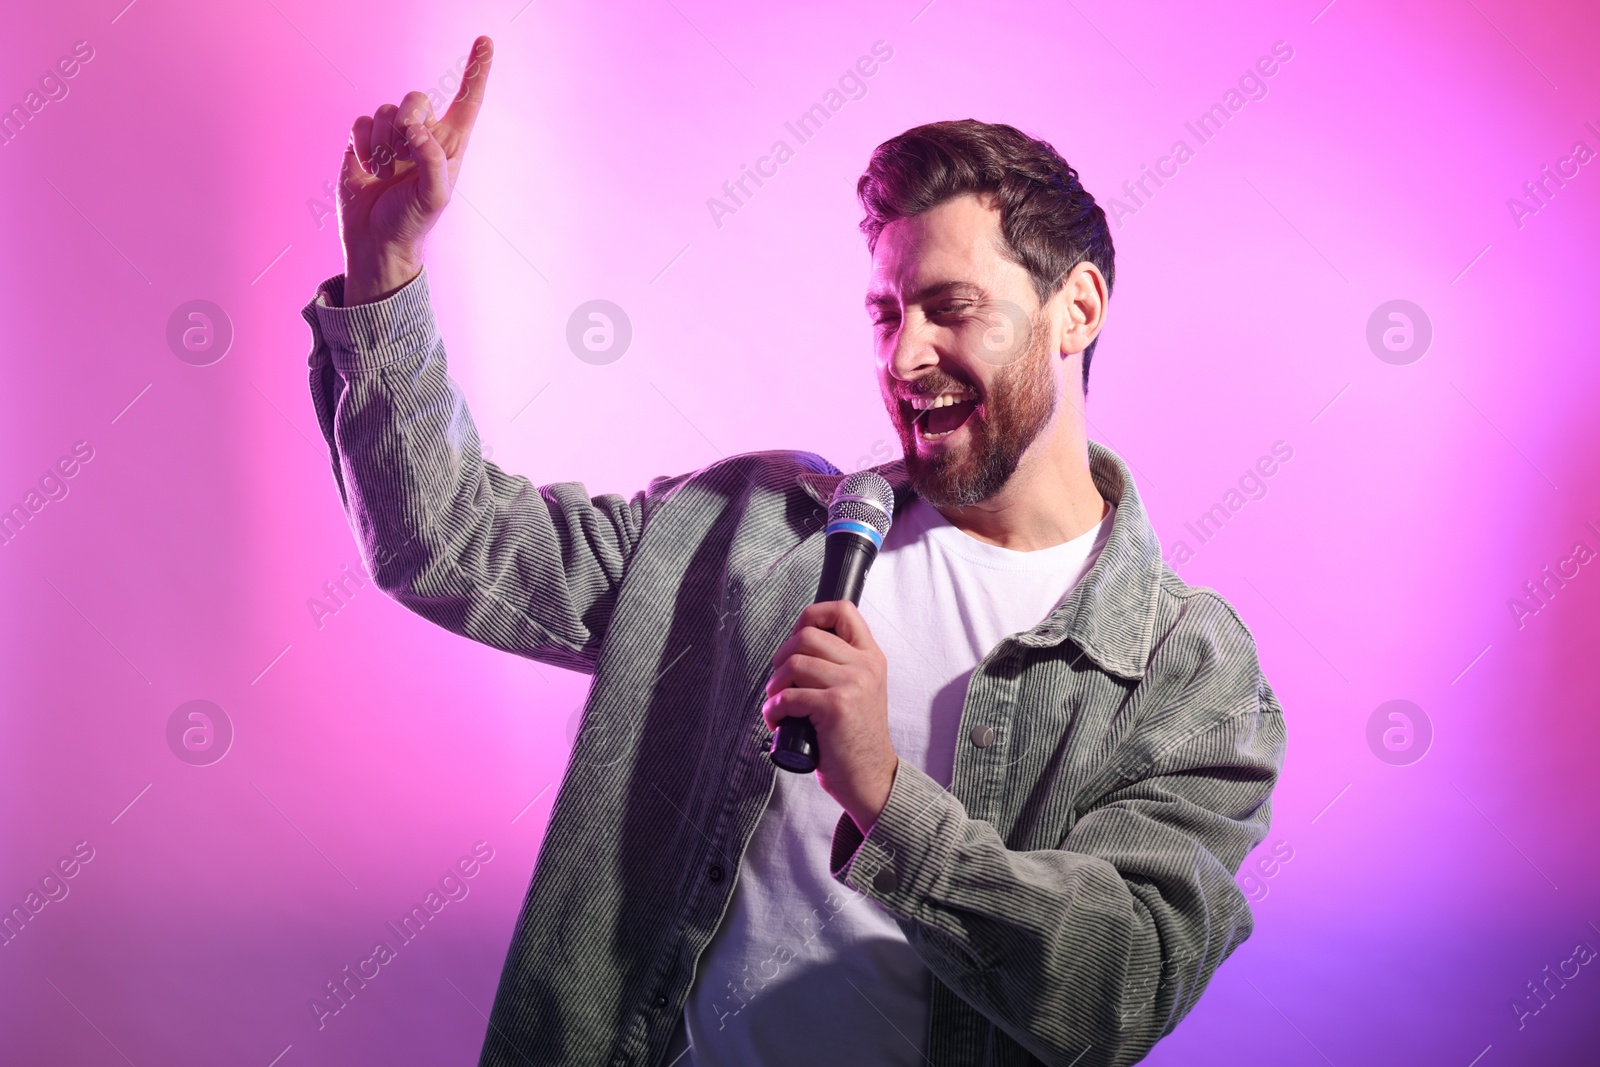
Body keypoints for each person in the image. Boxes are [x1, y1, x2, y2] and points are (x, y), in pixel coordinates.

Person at [301, 33, 1286, 1067]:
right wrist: (385, 273)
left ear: (1074, 310)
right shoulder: (750, 531)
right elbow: (451, 544)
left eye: (950, 308)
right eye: (885, 312)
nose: (905, 356)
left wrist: (882, 790)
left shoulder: (1189, 675)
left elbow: (1114, 990)